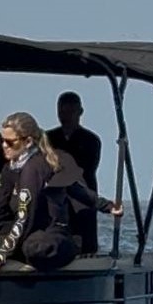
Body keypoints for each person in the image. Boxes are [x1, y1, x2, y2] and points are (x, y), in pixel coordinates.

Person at [0, 113, 122, 278]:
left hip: (49, 233)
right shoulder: (10, 169)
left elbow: (74, 189)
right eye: (2, 141)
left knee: (35, 249)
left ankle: (71, 247)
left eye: (10, 142)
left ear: (27, 142)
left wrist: (0, 257)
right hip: (26, 233)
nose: (4, 146)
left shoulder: (36, 168)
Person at [47, 92, 104, 252]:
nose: (66, 117)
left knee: (85, 245)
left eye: (70, 112)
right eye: (62, 112)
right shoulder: (49, 138)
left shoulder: (91, 140)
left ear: (80, 112)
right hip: (55, 200)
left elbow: (86, 168)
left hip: (82, 198)